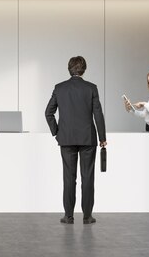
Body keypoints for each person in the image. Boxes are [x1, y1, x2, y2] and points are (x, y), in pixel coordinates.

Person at [45, 56, 107, 225]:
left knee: (68, 178)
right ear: (84, 69)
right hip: (88, 139)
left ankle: (69, 216)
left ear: (69, 69)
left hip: (66, 139)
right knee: (87, 177)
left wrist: (57, 133)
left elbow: (48, 113)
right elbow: (98, 114)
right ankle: (87, 216)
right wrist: (102, 138)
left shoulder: (59, 88)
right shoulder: (91, 88)